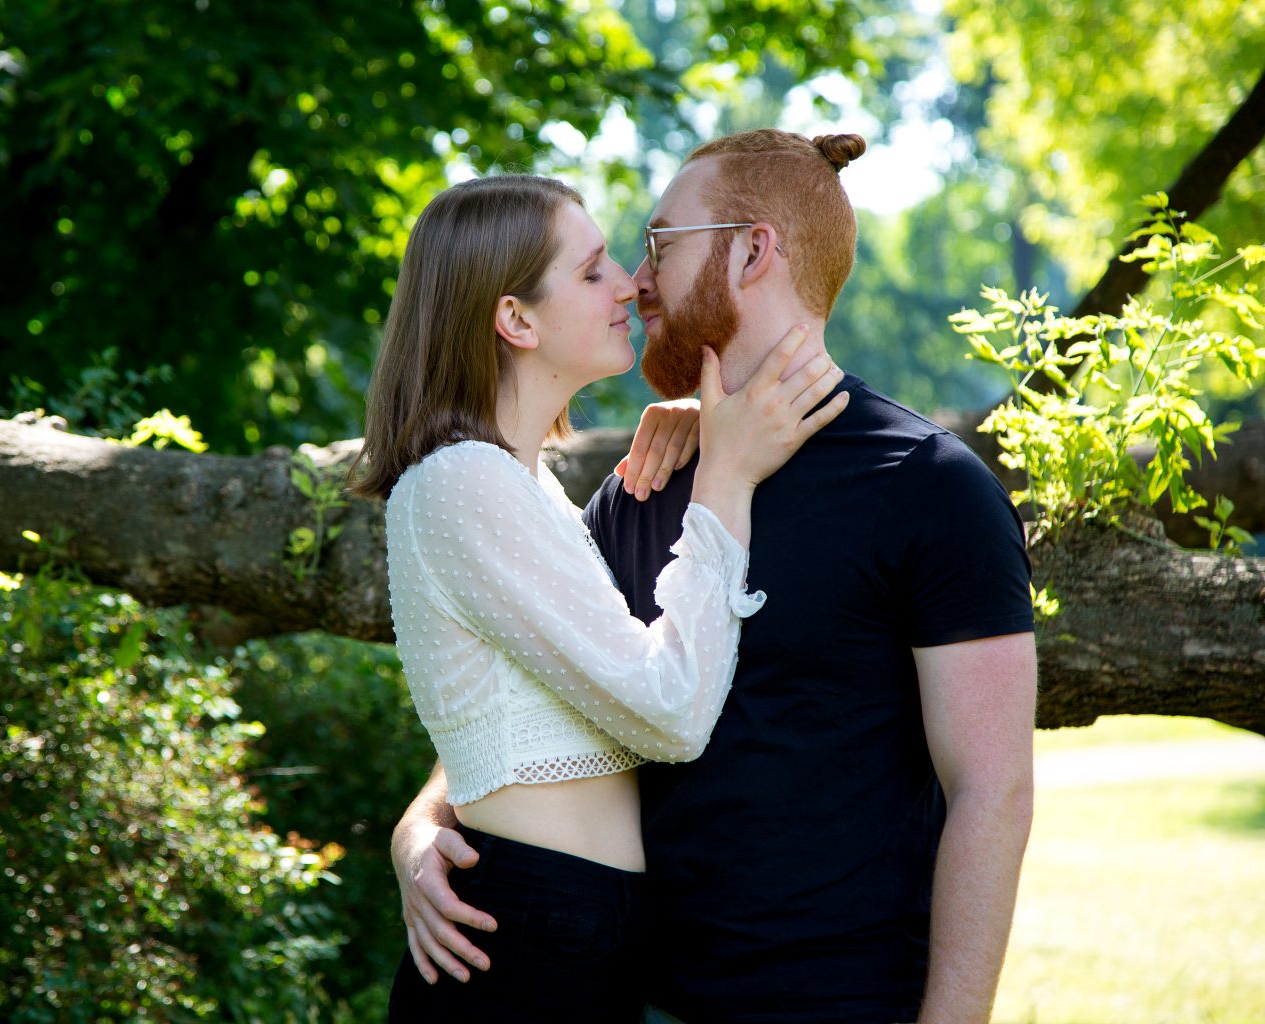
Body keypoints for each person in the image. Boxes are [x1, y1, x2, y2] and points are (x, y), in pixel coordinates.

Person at [392, 130, 1038, 1024]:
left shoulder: (929, 487)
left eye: (659, 246)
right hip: (631, 994)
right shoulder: (644, 485)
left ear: (752, 251)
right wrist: (428, 816)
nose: (636, 280)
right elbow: (540, 682)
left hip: (841, 1002)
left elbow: (993, 792)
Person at [351, 173, 849, 1022]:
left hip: (570, 929)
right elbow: (670, 713)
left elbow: (522, 709)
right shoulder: (464, 482)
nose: (628, 284)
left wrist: (708, 432)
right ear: (516, 320)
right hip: (524, 934)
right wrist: (725, 481)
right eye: (591, 271)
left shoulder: (520, 484)